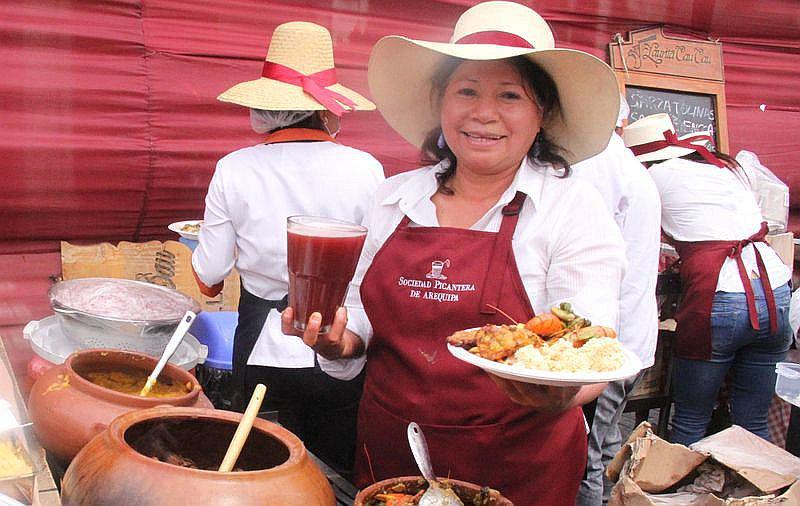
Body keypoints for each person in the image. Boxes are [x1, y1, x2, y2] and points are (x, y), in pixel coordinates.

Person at [282, 3, 626, 504]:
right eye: (466, 91)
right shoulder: (395, 197)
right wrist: (338, 340)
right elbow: (359, 312)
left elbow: (588, 343)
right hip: (393, 450)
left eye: (509, 95)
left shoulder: (570, 207)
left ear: (542, 114)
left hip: (516, 461)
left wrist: (558, 393)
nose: (483, 114)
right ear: (441, 101)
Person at [191, 21, 384, 477]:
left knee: (262, 466)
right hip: (341, 339)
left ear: (264, 107)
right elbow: (376, 263)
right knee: (337, 470)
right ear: (328, 109)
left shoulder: (235, 169)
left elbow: (210, 273)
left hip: (261, 343)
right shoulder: (367, 169)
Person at [623, 113, 792, 446]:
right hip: (774, 290)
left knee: (690, 419)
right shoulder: (724, 168)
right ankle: (755, 494)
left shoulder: (652, 177)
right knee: (751, 422)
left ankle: (677, 492)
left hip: (722, 297)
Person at [573, 95, 661, 505]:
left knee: (584, 458)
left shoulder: (594, 162)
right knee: (606, 445)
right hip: (635, 337)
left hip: (610, 342)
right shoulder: (629, 165)